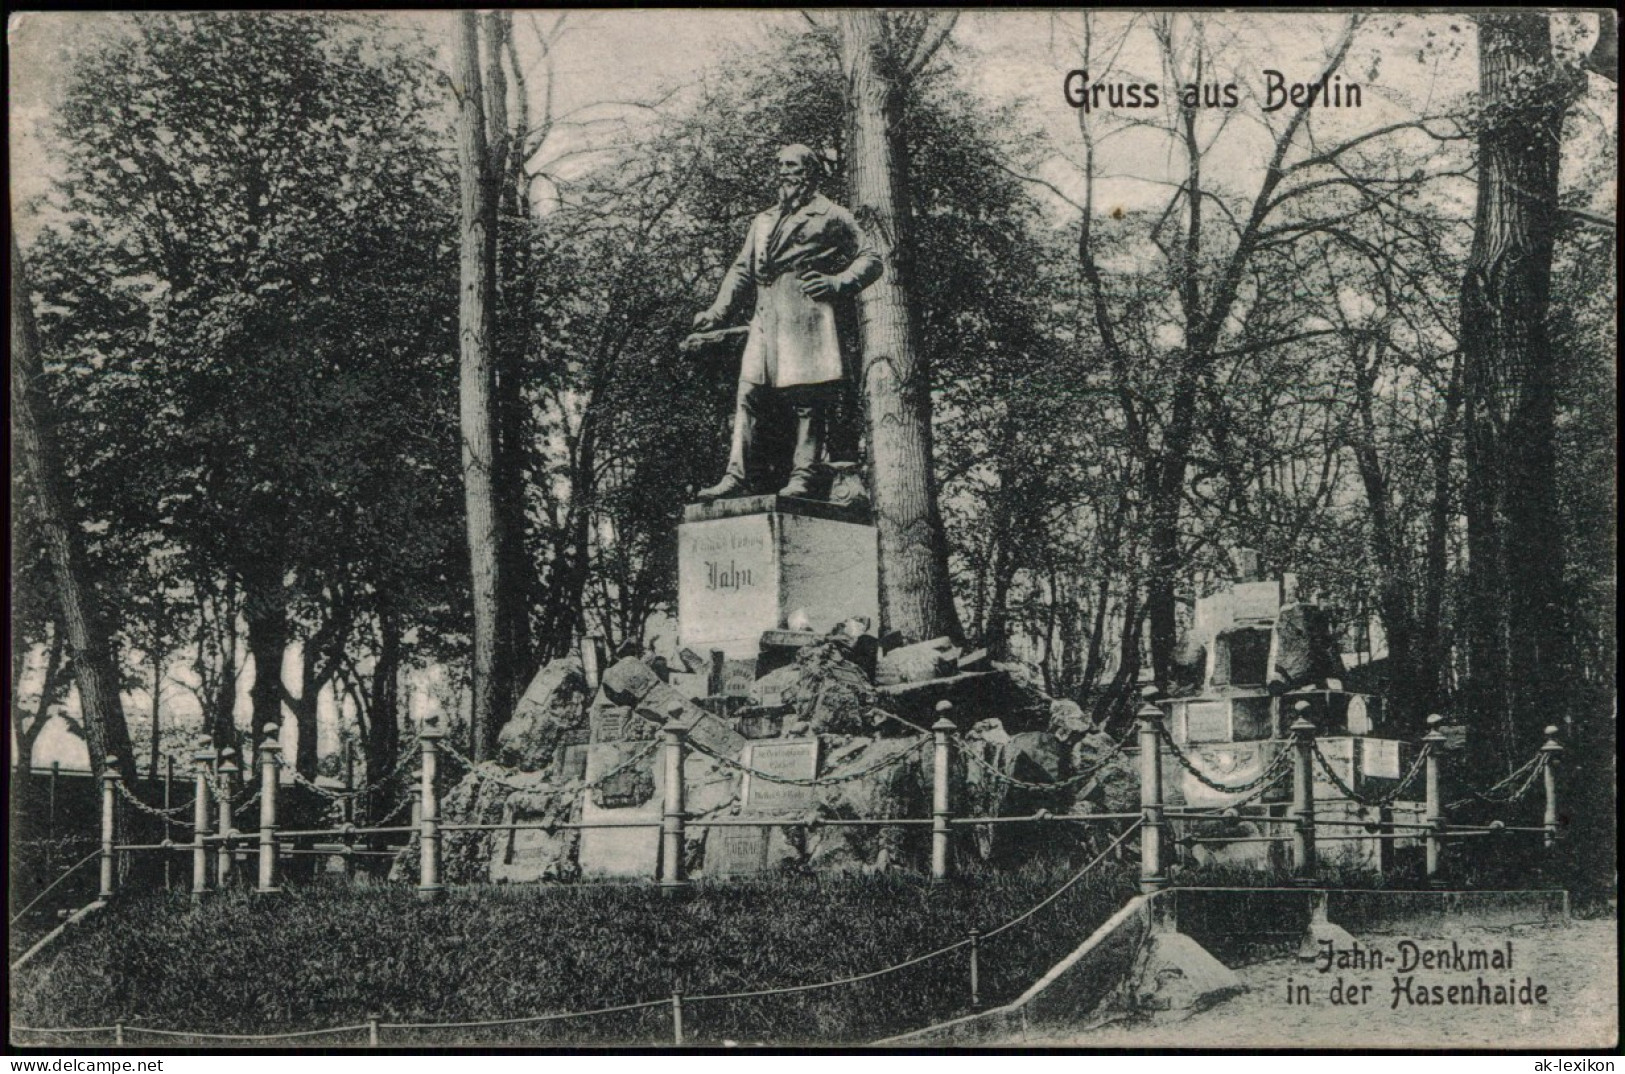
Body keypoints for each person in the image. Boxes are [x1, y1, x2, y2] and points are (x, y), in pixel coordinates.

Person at [691, 144, 883, 501]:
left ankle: (804, 476)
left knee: (806, 399)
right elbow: (741, 269)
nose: (783, 172)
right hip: (766, 318)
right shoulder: (763, 219)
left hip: (806, 315)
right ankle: (736, 475)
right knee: (748, 394)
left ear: (809, 171)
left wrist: (837, 282)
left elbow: (871, 258)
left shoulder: (831, 214)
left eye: (791, 165)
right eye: (779, 165)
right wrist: (717, 311)